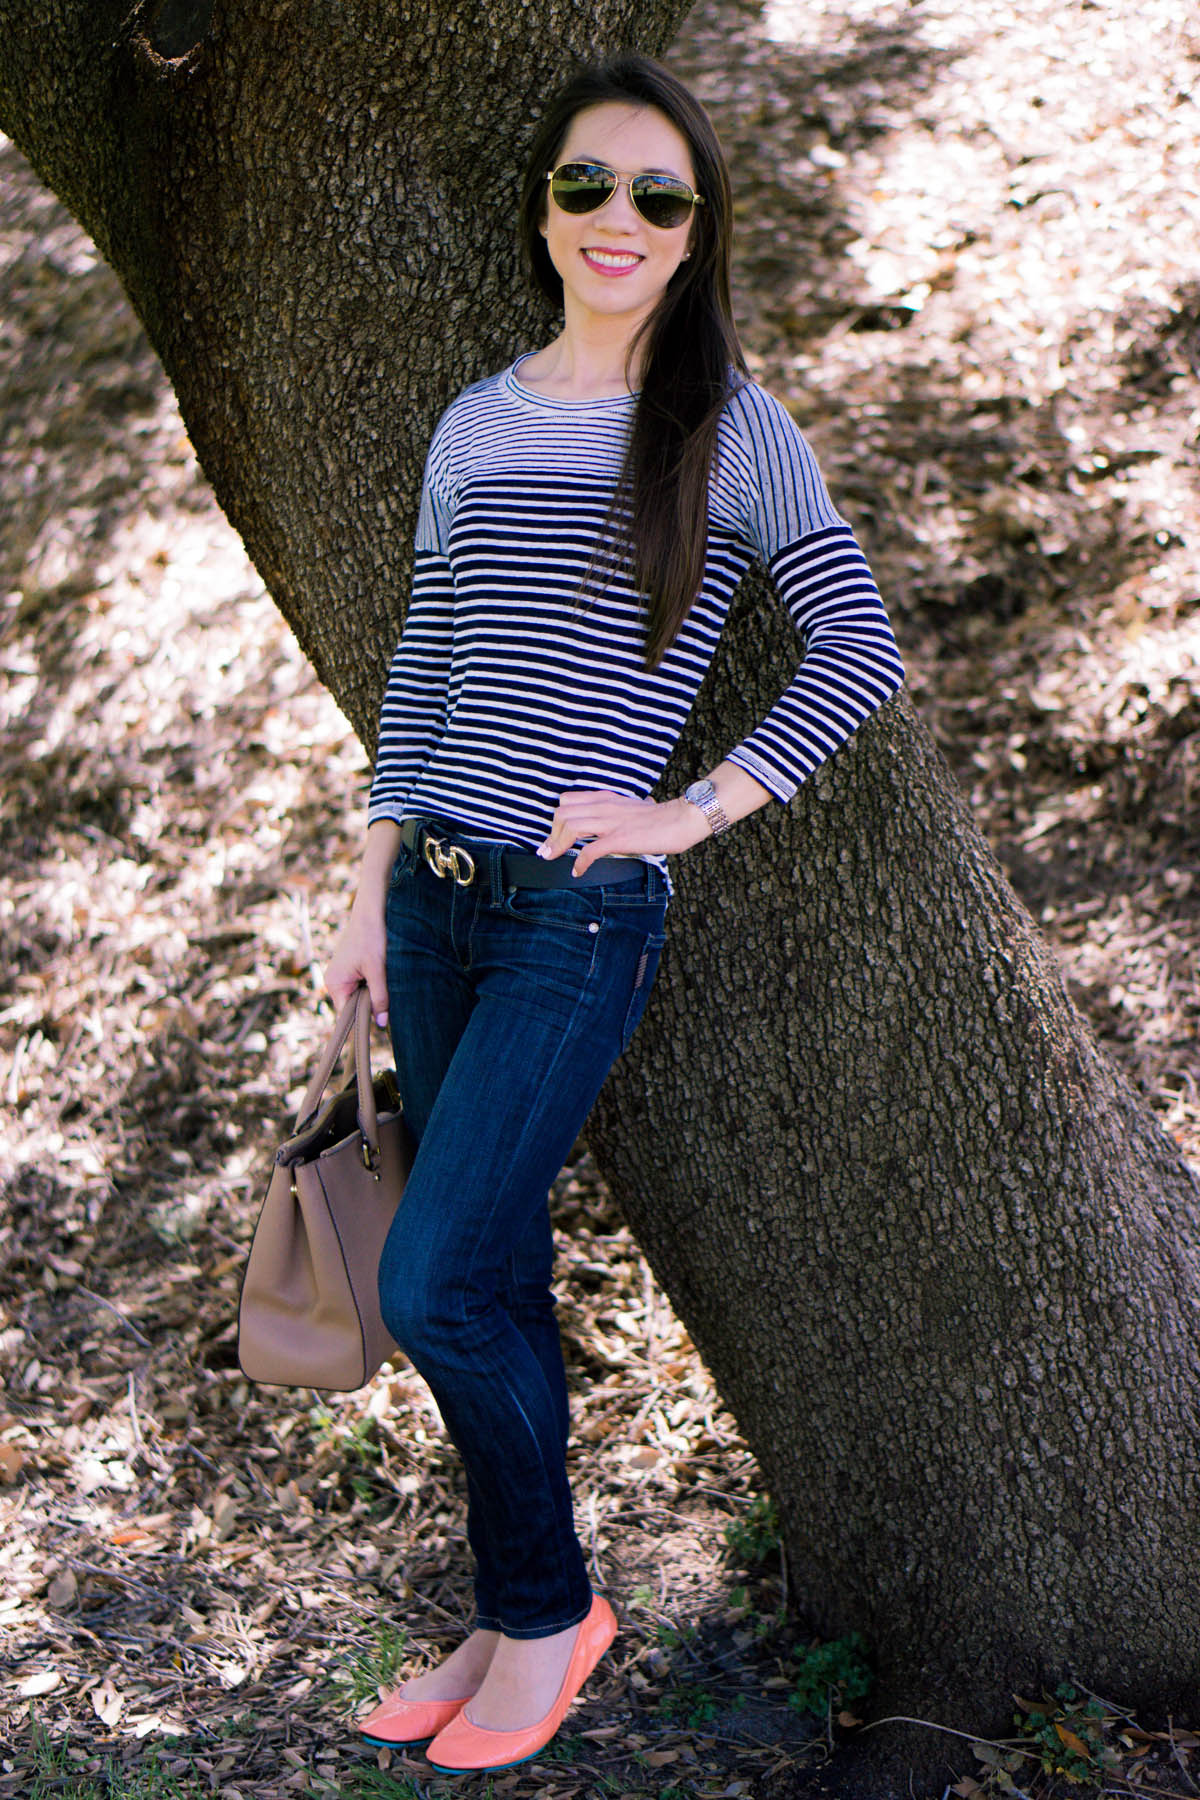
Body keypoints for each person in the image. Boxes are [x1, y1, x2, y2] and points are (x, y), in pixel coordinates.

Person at [323, 52, 904, 1775]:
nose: (619, 220)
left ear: (698, 227)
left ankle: (558, 1608)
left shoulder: (732, 426)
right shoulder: (480, 418)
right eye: (590, 186)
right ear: (547, 208)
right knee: (480, 1274)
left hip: (575, 921)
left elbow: (854, 646)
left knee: (431, 1283)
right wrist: (361, 894)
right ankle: (517, 1613)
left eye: (659, 195)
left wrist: (687, 810)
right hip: (430, 907)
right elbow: (423, 669)